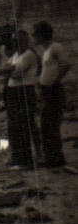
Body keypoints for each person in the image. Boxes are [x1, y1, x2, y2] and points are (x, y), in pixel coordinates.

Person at [32, 22, 72, 170]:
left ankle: (56, 159)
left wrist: (55, 80)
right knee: (46, 124)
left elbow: (67, 64)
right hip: (47, 90)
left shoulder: (55, 47)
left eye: (35, 34)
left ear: (42, 34)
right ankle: (51, 157)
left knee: (51, 123)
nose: (33, 37)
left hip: (53, 90)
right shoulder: (46, 50)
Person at [0, 29, 40, 170]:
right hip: (14, 90)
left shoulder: (28, 54)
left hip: (24, 90)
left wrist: (9, 70)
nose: (15, 44)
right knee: (14, 126)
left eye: (18, 40)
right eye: (14, 41)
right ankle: (18, 157)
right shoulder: (17, 54)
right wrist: (9, 69)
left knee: (23, 125)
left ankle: (25, 159)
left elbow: (16, 74)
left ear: (25, 40)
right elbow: (4, 68)